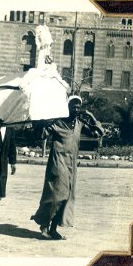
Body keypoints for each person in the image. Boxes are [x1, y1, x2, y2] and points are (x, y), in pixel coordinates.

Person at [31, 95, 104, 240]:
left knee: (67, 198)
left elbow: (99, 133)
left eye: (78, 107)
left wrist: (91, 116)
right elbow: (41, 135)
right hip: (57, 164)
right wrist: (40, 121)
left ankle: (53, 229)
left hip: (71, 167)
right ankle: (44, 225)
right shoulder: (57, 123)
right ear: (67, 108)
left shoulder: (80, 124)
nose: (76, 110)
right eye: (73, 107)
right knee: (55, 197)